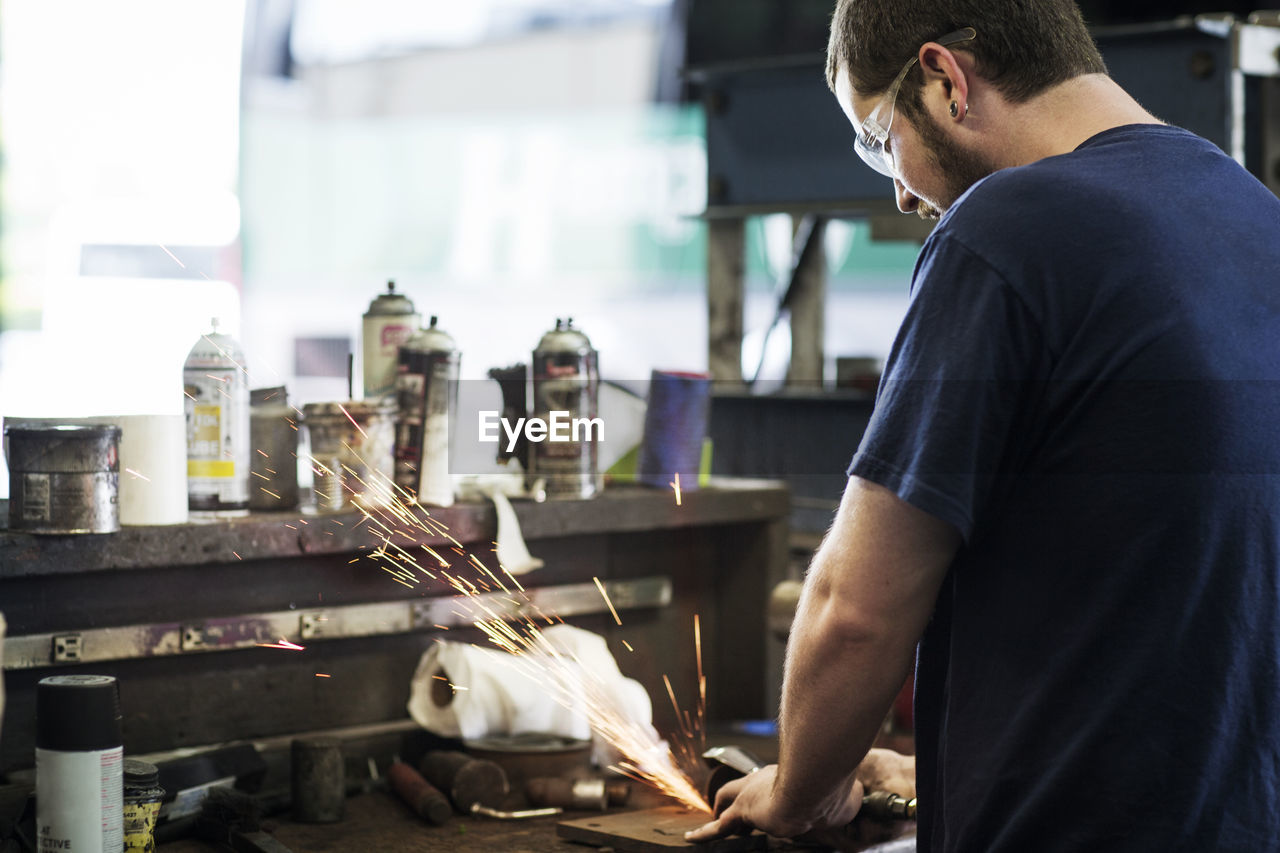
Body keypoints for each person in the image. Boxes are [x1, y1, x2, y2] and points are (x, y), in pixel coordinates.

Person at [688, 0, 1280, 850]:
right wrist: (940, 771)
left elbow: (855, 611)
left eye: (882, 139)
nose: (898, 189)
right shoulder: (1252, 214)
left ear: (945, 77)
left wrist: (800, 792)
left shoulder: (1008, 230)